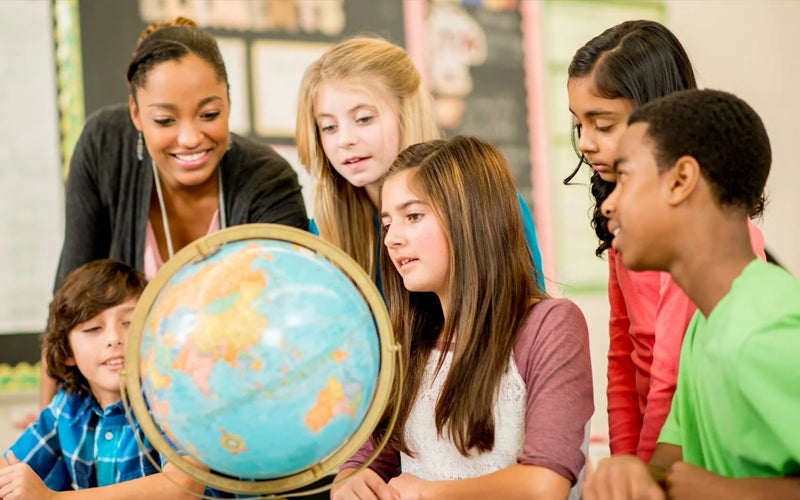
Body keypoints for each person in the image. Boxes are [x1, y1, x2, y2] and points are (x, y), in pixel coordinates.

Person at [39, 18, 309, 411]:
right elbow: (68, 305)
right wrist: (45, 433)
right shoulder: (104, 145)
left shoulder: (267, 179)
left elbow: (282, 322)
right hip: (126, 416)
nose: (190, 137)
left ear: (229, 102)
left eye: (209, 114)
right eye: (165, 120)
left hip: (239, 405)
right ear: (136, 113)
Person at [330, 136, 593, 500]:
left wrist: (429, 494)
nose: (392, 239)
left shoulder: (550, 324)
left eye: (414, 216)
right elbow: (371, 458)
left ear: (471, 218)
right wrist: (350, 479)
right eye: (388, 223)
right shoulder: (408, 341)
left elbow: (545, 484)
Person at [584, 89, 800, 499]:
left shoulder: (768, 329)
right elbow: (674, 461)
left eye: (625, 177)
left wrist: (728, 492)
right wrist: (636, 473)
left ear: (681, 180)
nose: (608, 205)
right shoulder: (707, 322)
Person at [565, 20, 765, 461]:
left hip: (700, 455)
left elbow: (672, 376)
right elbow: (622, 357)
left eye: (602, 124)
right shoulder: (627, 234)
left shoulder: (708, 241)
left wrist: (647, 472)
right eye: (578, 124)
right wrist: (623, 461)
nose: (584, 142)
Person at [295, 36, 545, 290]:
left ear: (407, 113)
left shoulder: (488, 203)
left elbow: (531, 320)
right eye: (328, 127)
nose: (344, 140)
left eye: (364, 119)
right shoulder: (324, 229)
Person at [1, 259, 204, 499]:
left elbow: (184, 486)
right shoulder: (67, 405)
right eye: (93, 329)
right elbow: (10, 469)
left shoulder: (173, 397)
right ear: (67, 353)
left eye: (129, 323)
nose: (114, 338)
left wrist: (53, 498)